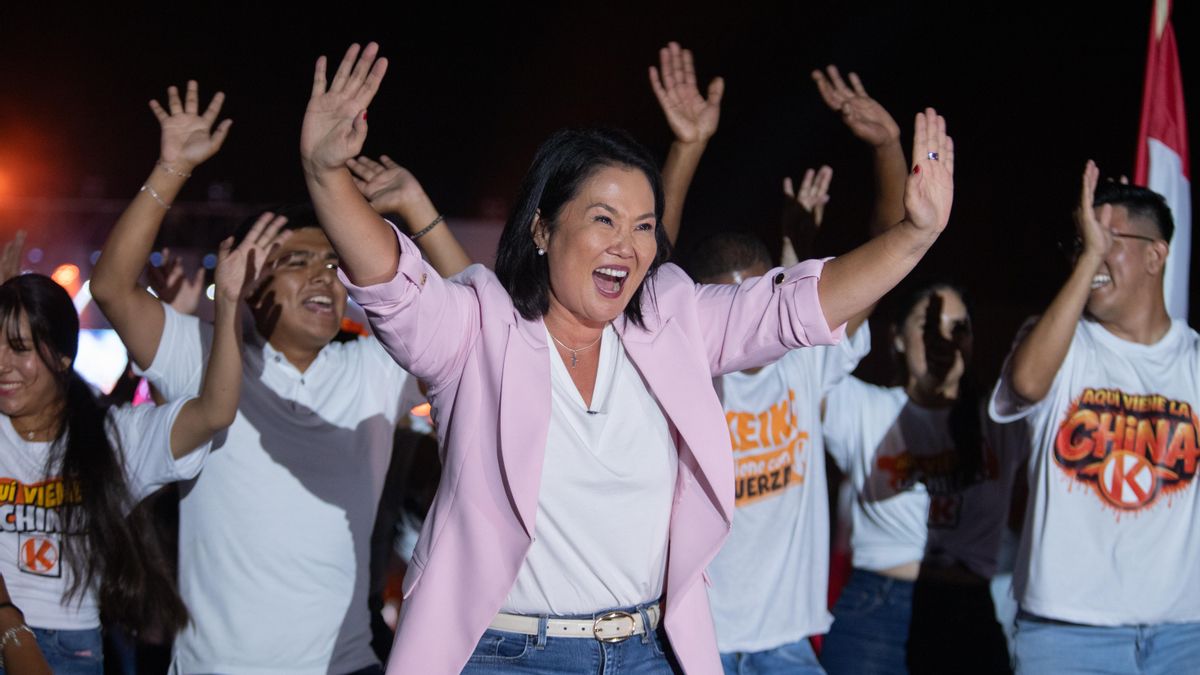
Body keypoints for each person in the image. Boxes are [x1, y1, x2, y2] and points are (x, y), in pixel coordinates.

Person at [299, 42, 954, 674]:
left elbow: (798, 304)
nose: (627, 244)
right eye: (605, 220)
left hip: (647, 651)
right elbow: (390, 283)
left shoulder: (674, 318)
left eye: (644, 226)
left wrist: (914, 235)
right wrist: (325, 173)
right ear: (542, 227)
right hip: (507, 655)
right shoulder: (476, 327)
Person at [88, 82, 430, 675]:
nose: (322, 279)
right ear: (252, 282)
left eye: (331, 265)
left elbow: (474, 331)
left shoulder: (373, 369)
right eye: (296, 263)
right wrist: (170, 168)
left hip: (343, 666)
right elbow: (113, 288)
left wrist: (417, 211)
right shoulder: (204, 354)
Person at [649, 47, 906, 674]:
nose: (757, 320)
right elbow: (646, 274)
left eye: (768, 293)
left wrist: (888, 150)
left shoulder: (804, 359)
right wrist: (685, 150)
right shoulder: (683, 366)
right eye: (737, 305)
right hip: (691, 641)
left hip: (785, 645)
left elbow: (886, 251)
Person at [0, 215, 258, 673]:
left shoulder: (113, 438)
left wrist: (229, 304)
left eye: (20, 349)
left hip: (71, 650)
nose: (3, 364)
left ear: (62, 358)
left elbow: (214, 412)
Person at [988, 162, 1200, 674]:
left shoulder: (1194, 359)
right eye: (1082, 240)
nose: (1093, 249)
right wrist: (1092, 259)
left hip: (1183, 635)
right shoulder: (1061, 340)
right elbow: (1026, 384)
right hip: (1066, 635)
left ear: (1156, 254)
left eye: (1107, 238)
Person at [818, 283, 1017, 675]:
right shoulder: (864, 407)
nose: (943, 339)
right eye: (928, 326)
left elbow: (1036, 381)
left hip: (969, 611)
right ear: (896, 338)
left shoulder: (998, 418)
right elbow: (809, 366)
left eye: (958, 328)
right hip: (879, 610)